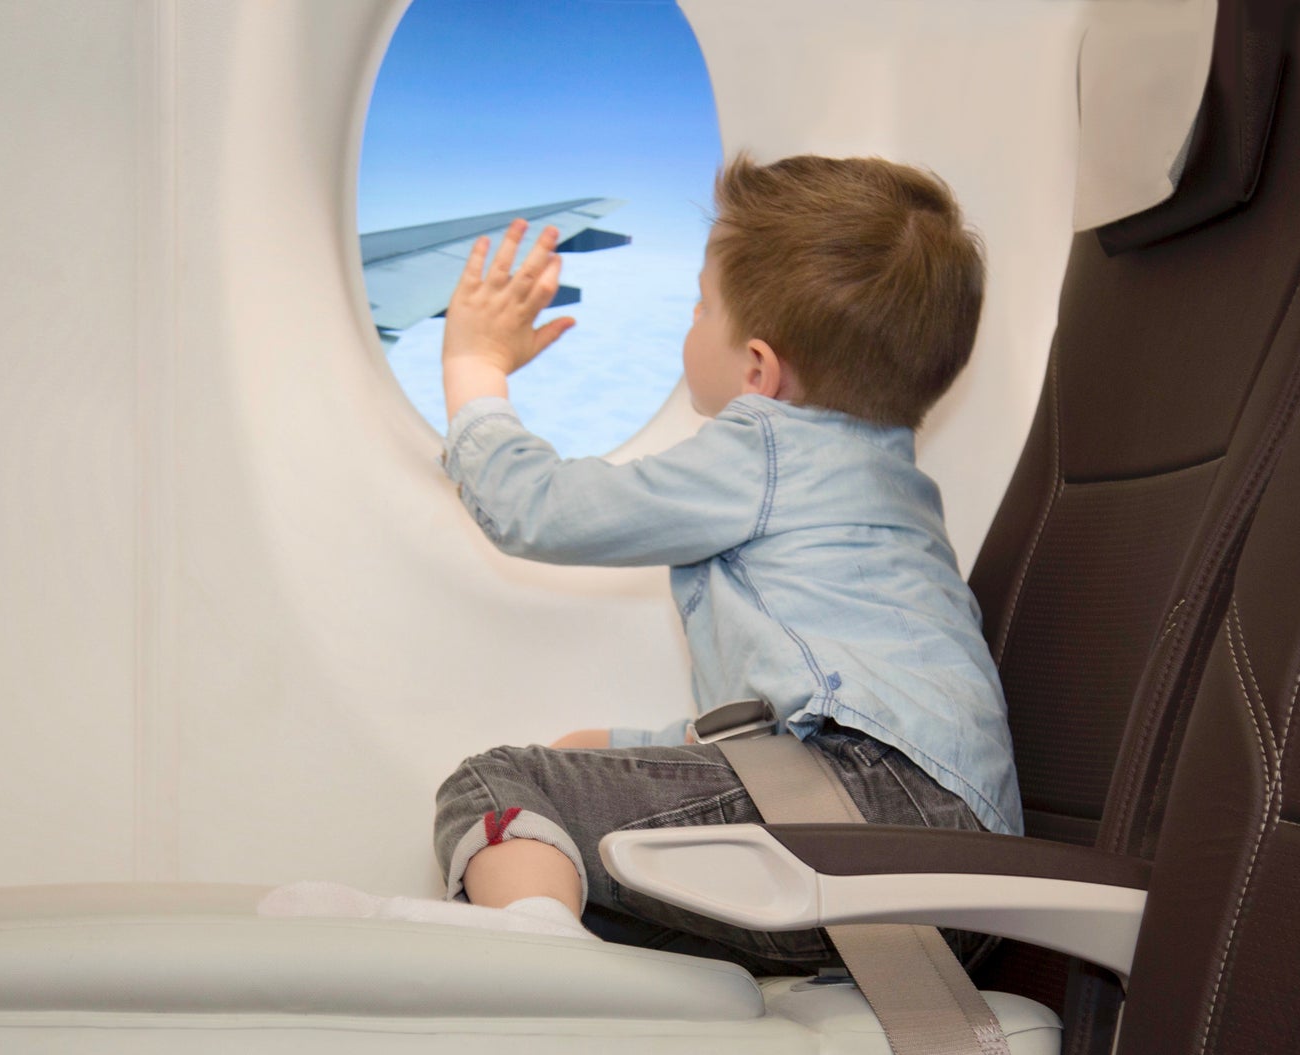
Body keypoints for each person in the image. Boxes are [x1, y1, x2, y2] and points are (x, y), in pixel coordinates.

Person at [419, 153, 1021, 967]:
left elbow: (539, 509)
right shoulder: (889, 480)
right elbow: (799, 711)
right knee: (588, 870)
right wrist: (629, 739)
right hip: (962, 876)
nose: (689, 323)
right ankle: (562, 956)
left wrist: (474, 367)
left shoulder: (768, 446)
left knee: (497, 791)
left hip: (872, 811)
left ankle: (539, 981)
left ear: (759, 370)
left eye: (702, 306)